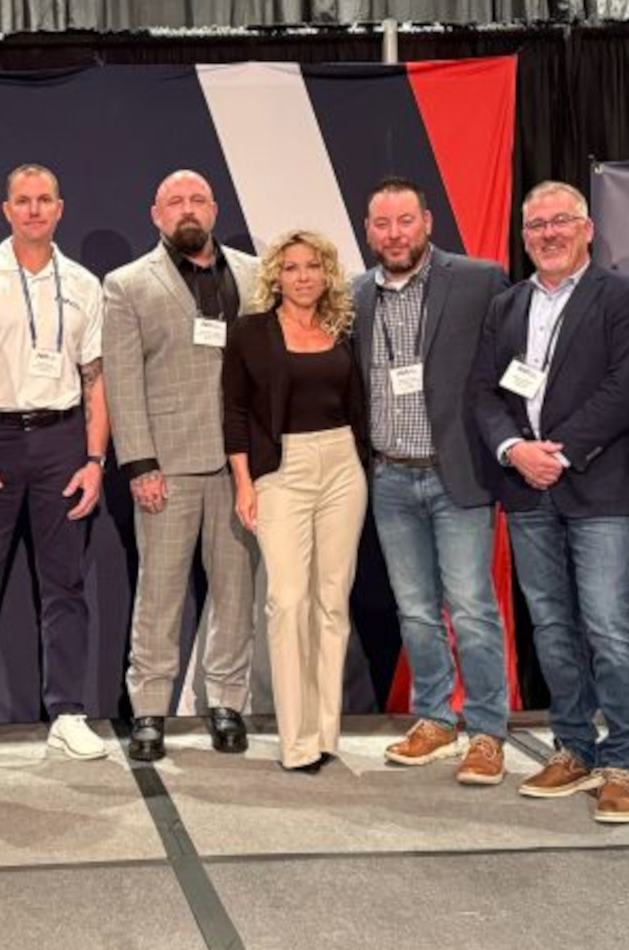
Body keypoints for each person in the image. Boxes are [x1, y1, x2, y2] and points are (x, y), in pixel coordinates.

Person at [470, 181, 629, 822]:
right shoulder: (507, 304)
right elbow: (483, 392)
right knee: (551, 626)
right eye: (536, 225)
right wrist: (514, 451)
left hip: (598, 484)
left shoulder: (625, 296)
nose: (548, 234)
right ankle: (573, 748)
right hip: (525, 488)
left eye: (560, 221)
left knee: (607, 625)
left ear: (586, 229)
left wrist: (562, 451)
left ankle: (625, 762)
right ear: (524, 237)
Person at [0, 164, 109, 771]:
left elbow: (96, 379)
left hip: (62, 439)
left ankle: (67, 714)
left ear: (60, 209)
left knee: (66, 585)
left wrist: (95, 459)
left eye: (44, 200)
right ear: (6, 209)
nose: (34, 209)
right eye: (23, 200)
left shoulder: (84, 283)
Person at [350, 176, 512, 784]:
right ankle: (436, 718)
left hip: (457, 475)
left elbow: (508, 367)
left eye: (405, 221)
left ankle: (487, 730)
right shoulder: (355, 295)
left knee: (471, 608)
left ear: (427, 223)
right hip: (390, 478)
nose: (395, 235)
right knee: (416, 610)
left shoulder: (479, 280)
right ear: (369, 231)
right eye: (383, 224)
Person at [102, 169, 261, 762]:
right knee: (160, 593)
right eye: (175, 201)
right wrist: (140, 464)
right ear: (156, 214)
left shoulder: (254, 273)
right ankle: (149, 707)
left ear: (214, 209)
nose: (187, 209)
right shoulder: (127, 284)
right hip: (166, 464)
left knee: (235, 592)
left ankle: (226, 702)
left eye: (197, 199)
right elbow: (121, 379)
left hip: (240, 464)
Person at [223, 230, 369, 773]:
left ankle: (325, 731)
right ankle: (296, 739)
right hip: (281, 471)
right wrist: (244, 482)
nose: (302, 276)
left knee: (332, 600)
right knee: (287, 600)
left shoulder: (343, 329)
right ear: (276, 277)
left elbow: (357, 405)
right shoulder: (250, 332)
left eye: (312, 266)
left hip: (343, 466)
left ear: (326, 274)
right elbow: (234, 411)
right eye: (291, 267)